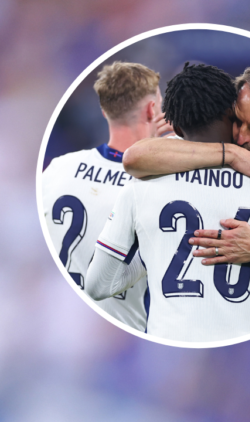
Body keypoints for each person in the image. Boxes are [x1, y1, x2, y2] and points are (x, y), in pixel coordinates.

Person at [85, 63, 250, 342]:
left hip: (165, 351)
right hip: (241, 353)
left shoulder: (140, 187)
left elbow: (98, 286)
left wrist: (155, 250)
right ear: (231, 111)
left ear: (173, 124)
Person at [42, 61, 169, 331]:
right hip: (118, 326)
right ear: (151, 109)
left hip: (56, 316)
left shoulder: (58, 167)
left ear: (104, 110)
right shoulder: (155, 185)